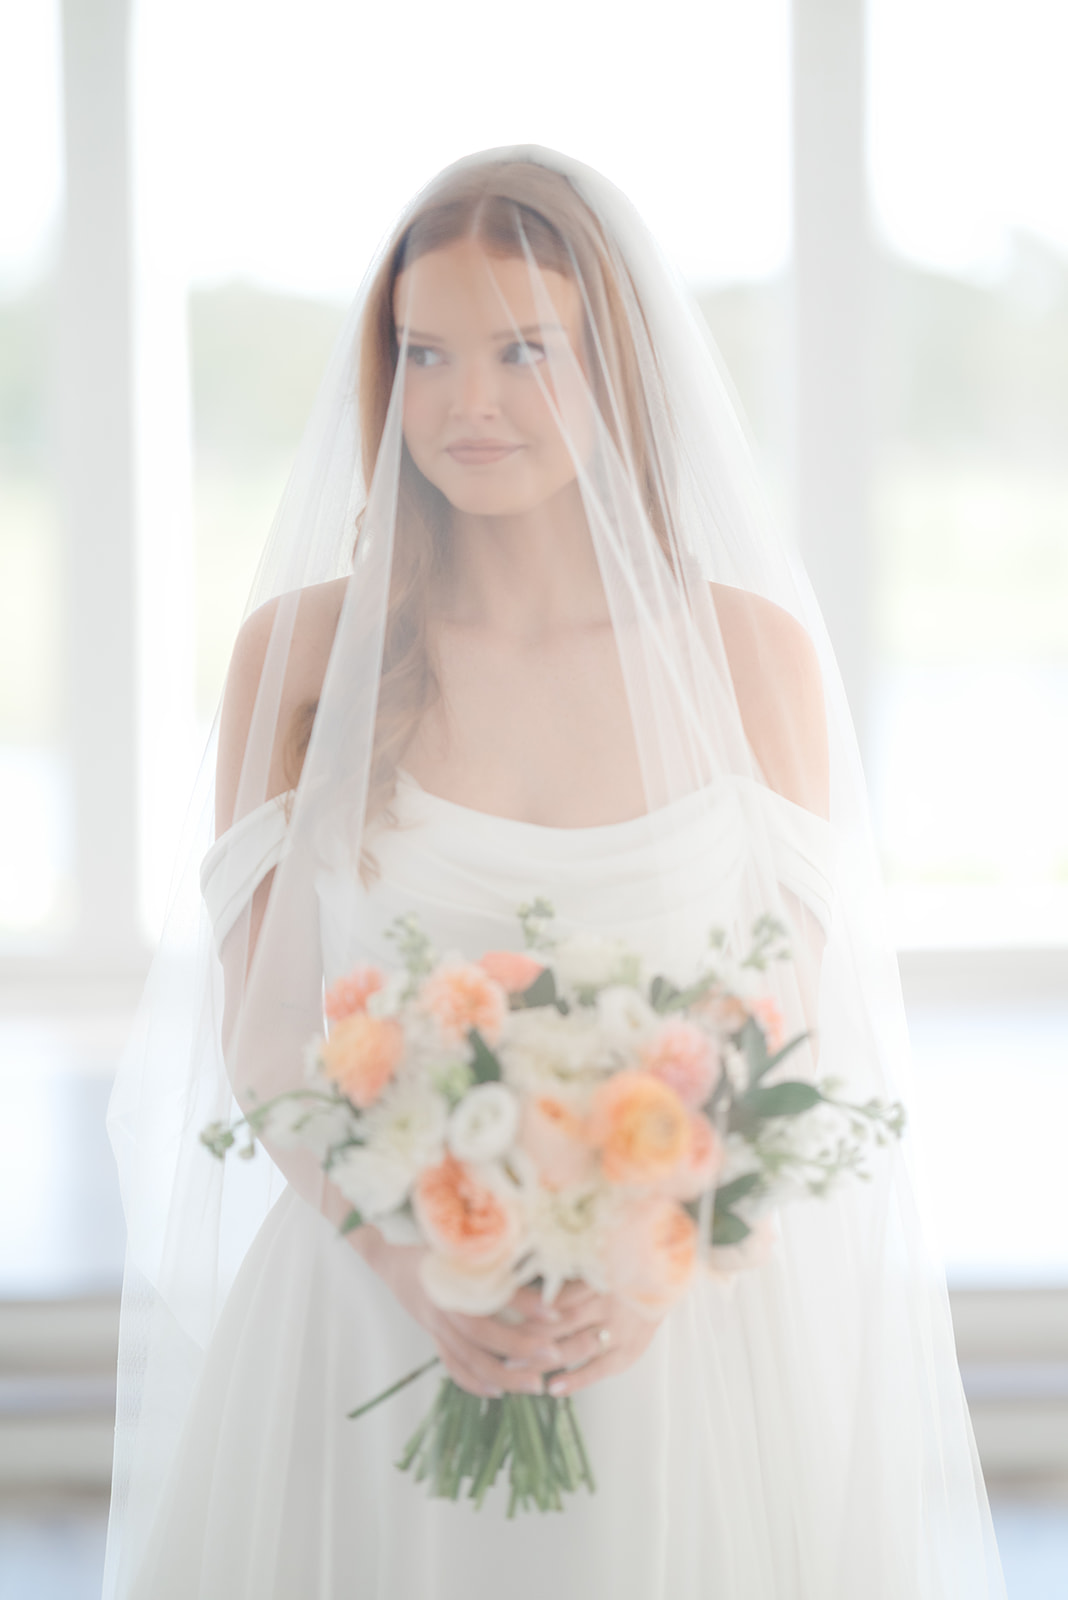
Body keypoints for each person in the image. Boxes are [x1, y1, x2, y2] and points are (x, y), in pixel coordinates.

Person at [103, 148, 1005, 1598]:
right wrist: (411, 1267)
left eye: (526, 350)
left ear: (620, 372)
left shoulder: (747, 656)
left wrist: (648, 1260)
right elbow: (268, 1033)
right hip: (368, 1323)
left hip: (678, 1346)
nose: (467, 402)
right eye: (425, 351)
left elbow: (785, 1025)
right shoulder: (301, 656)